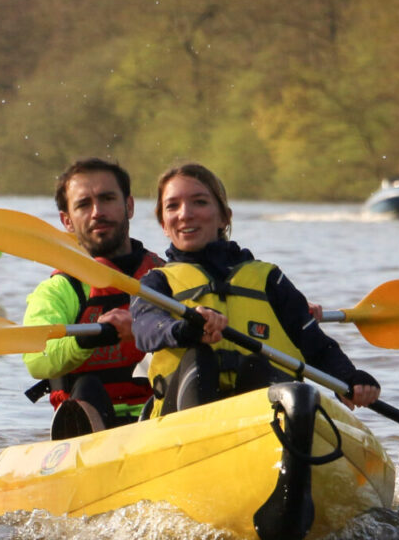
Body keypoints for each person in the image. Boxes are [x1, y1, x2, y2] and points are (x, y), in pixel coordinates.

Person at [131, 162, 380, 415]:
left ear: (224, 217)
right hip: (186, 413)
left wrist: (349, 379)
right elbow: (145, 328)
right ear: (163, 223)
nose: (185, 214)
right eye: (173, 206)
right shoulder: (155, 283)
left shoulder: (269, 279)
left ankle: (283, 438)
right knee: (199, 358)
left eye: (200, 202)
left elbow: (315, 344)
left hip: (260, 416)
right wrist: (185, 327)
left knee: (260, 365)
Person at [21, 158, 162, 439]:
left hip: (159, 415)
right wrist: (88, 338)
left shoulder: (165, 277)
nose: (97, 212)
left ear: (129, 206)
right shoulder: (60, 289)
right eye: (84, 204)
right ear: (67, 221)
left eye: (108, 199)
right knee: (87, 385)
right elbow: (37, 360)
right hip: (87, 423)